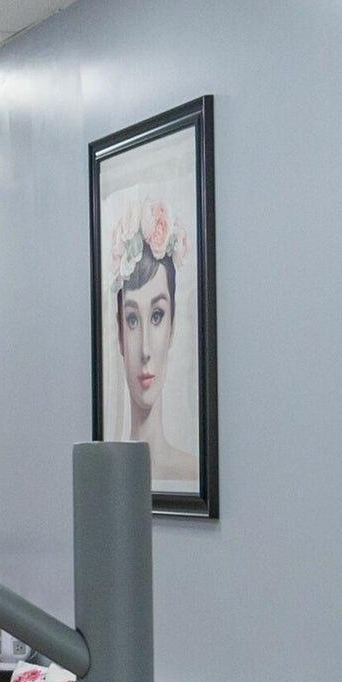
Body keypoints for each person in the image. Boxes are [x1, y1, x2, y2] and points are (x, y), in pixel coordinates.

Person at [105, 194, 196, 488]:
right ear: (120, 334)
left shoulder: (193, 472)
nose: (145, 350)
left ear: (172, 326)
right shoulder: (105, 477)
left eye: (157, 316)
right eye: (132, 320)